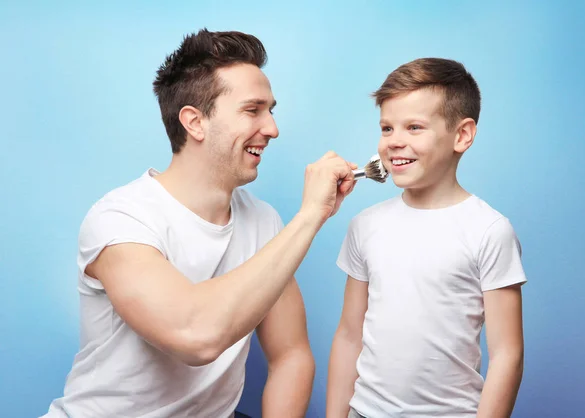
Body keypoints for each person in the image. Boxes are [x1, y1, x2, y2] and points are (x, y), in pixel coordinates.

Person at [42, 28, 357, 418]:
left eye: (271, 110)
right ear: (194, 122)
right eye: (252, 109)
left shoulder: (263, 221)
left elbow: (291, 356)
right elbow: (195, 336)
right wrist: (311, 215)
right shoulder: (120, 219)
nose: (272, 128)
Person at [326, 58, 527, 418]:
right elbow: (348, 335)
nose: (394, 142)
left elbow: (507, 354)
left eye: (414, 127)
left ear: (462, 135)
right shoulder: (365, 225)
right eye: (387, 128)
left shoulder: (489, 231)